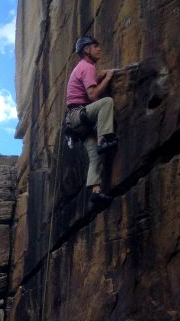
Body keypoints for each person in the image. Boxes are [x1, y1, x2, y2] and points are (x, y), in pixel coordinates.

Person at [65, 35, 117, 205]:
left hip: (76, 123)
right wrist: (108, 78)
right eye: (95, 46)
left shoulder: (82, 67)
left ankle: (96, 191)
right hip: (79, 115)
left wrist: (100, 76)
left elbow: (88, 85)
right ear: (87, 50)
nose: (99, 49)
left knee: (95, 156)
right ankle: (103, 140)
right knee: (106, 102)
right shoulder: (87, 67)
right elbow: (93, 96)